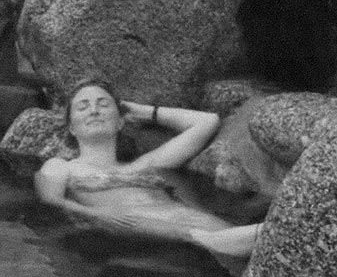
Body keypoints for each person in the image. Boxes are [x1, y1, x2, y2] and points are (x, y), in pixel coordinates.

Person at [32, 78, 260, 261]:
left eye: (103, 104)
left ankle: (247, 239)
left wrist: (145, 112)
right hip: (140, 225)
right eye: (83, 106)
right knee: (231, 240)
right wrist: (99, 215)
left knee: (234, 238)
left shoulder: (148, 165)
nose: (94, 111)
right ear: (71, 127)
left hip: (195, 220)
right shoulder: (61, 166)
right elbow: (50, 198)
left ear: (121, 121)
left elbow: (207, 122)